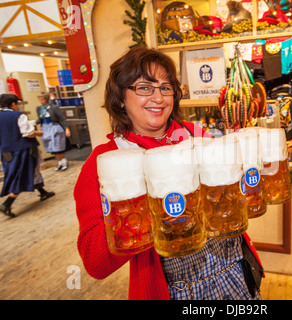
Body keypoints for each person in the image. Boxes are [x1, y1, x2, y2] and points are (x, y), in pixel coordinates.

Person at [74, 46, 263, 300]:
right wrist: (142, 210)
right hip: (178, 290)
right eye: (144, 87)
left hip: (235, 271)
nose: (159, 97)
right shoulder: (106, 160)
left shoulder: (196, 135)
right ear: (120, 97)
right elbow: (94, 263)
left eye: (166, 87)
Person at [0, 94, 55, 218]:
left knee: (30, 172)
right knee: (23, 175)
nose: (18, 106)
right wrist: (38, 133)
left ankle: (43, 192)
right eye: (17, 104)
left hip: (6, 152)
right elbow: (27, 133)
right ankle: (7, 203)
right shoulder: (18, 116)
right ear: (13, 104)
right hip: (23, 150)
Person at [36, 92, 71, 171]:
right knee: (51, 147)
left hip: (55, 127)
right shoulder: (39, 109)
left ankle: (64, 162)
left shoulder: (53, 108)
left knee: (58, 145)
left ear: (46, 99)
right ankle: (59, 163)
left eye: (42, 99)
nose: (40, 101)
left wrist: (66, 128)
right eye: (39, 99)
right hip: (45, 128)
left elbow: (62, 118)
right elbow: (40, 119)